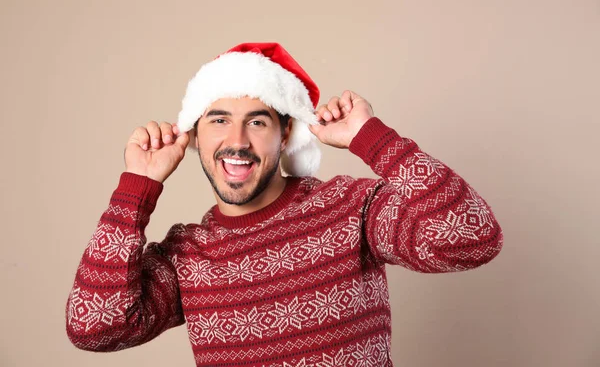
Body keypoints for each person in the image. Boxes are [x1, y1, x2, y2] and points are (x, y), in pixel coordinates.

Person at [65, 43, 503, 367]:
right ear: (195, 136)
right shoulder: (187, 255)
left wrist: (372, 137)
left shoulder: (350, 209)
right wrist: (137, 186)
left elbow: (471, 239)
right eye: (219, 120)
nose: (236, 142)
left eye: (257, 121)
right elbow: (95, 329)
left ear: (286, 134)